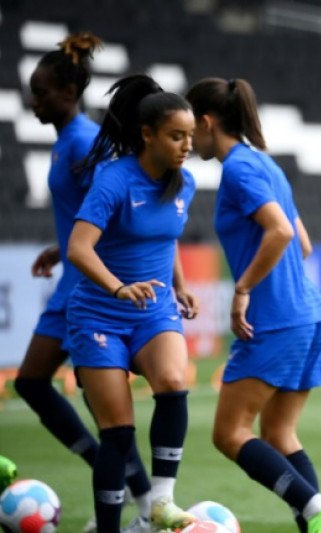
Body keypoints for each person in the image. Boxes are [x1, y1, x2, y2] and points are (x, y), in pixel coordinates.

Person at [185, 77, 321, 533]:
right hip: (309, 315)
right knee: (278, 435)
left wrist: (243, 289)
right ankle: (317, 521)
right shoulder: (266, 165)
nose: (186, 137)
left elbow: (280, 233)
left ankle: (315, 507)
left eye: (188, 127)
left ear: (205, 122)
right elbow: (305, 244)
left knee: (228, 433)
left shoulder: (238, 169)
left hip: (275, 319)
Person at [14, 33, 153, 533]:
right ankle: (127, 488)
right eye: (32, 90)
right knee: (34, 383)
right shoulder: (66, 143)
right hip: (71, 282)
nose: (34, 100)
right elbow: (84, 214)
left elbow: (110, 212)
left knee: (104, 409)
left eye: (42, 91)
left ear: (69, 93)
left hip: (87, 290)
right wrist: (60, 243)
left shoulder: (82, 144)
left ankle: (135, 498)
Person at [66, 74, 199, 533]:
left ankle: (160, 502)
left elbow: (168, 240)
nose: (186, 146)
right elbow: (79, 249)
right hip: (98, 314)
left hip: (154, 311)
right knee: (117, 435)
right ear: (148, 135)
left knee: (172, 381)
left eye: (191, 137)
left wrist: (179, 286)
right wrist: (119, 288)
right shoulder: (114, 179)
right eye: (176, 136)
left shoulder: (186, 184)